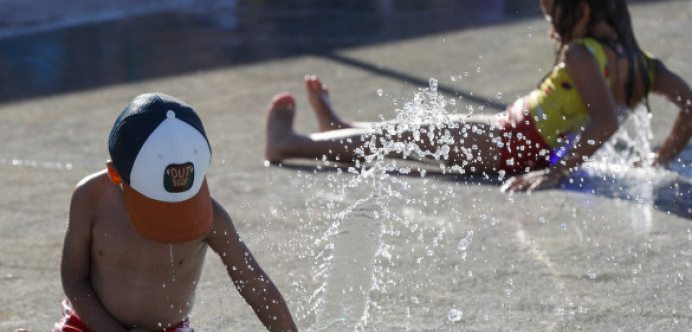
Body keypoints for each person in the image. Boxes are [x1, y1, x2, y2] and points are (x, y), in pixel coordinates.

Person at [0, 93, 342, 332]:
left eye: (183, 201)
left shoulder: (210, 214)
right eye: (157, 204)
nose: (175, 212)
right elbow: (73, 279)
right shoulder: (91, 197)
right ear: (117, 175)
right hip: (92, 322)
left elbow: (254, 283)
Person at [264, 0, 692, 192]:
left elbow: (604, 121)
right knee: (410, 135)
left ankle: (290, 145)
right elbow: (690, 104)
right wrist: (660, 160)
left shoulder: (582, 54)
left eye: (554, 15)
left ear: (581, 10)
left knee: (402, 143)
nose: (551, 30)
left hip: (509, 143)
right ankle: (338, 130)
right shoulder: (642, 64)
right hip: (512, 136)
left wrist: (557, 171)